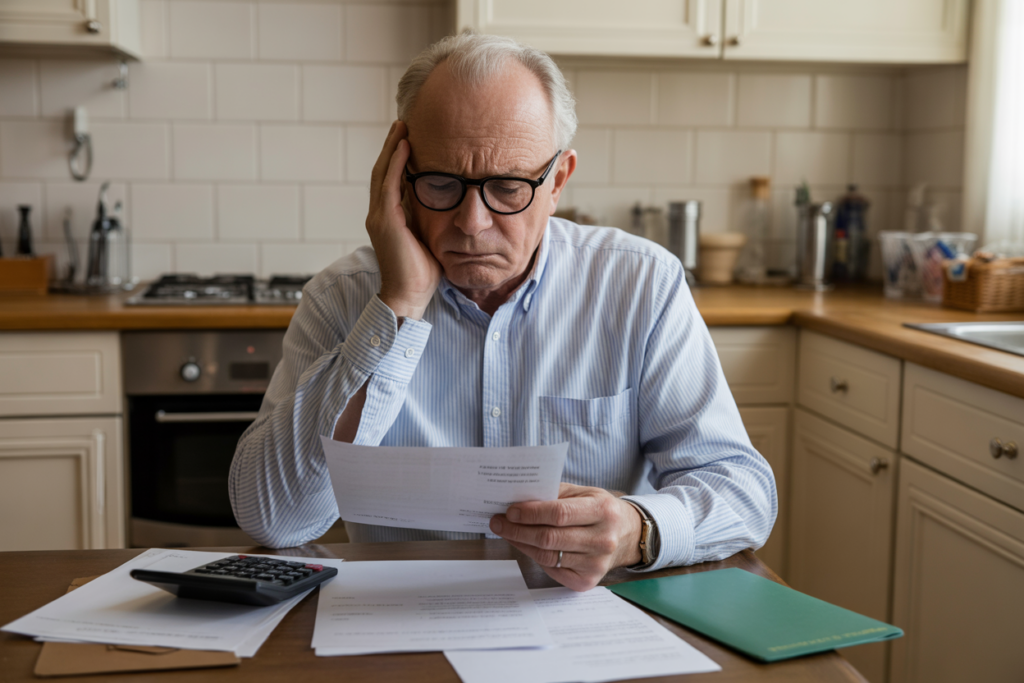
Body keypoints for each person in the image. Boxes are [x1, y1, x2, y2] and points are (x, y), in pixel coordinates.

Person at [229, 31, 776, 592]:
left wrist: (637, 530)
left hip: (589, 638)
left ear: (557, 180)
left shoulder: (640, 285)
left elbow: (741, 490)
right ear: (398, 178)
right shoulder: (342, 298)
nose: (472, 222)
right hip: (402, 625)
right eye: (441, 184)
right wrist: (398, 305)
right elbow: (276, 519)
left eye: (509, 188)